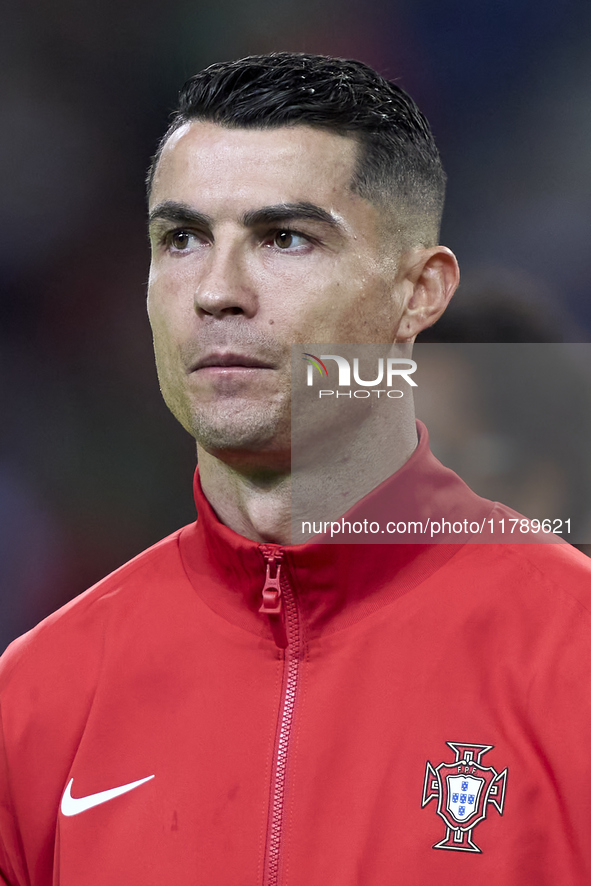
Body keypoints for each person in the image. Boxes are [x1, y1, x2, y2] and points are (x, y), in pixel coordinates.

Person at [1, 52, 591, 886]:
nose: (217, 291)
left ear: (418, 294)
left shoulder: (573, 657)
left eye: (284, 238)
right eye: (183, 238)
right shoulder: (37, 701)